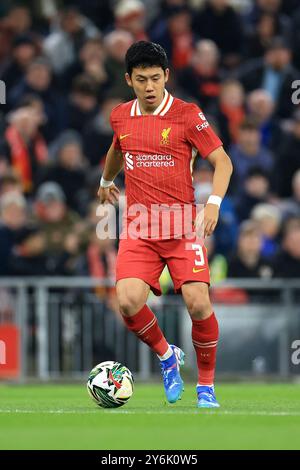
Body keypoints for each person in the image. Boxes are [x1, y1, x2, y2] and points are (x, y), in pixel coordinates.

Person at [98, 41, 233, 408]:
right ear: (129, 80)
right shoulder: (121, 116)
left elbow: (223, 162)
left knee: (197, 302)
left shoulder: (188, 115)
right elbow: (116, 150)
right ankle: (167, 357)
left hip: (181, 227)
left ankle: (206, 386)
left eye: (156, 78)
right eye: (141, 80)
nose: (150, 87)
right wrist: (106, 183)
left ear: (166, 76)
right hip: (140, 227)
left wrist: (213, 205)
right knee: (126, 302)